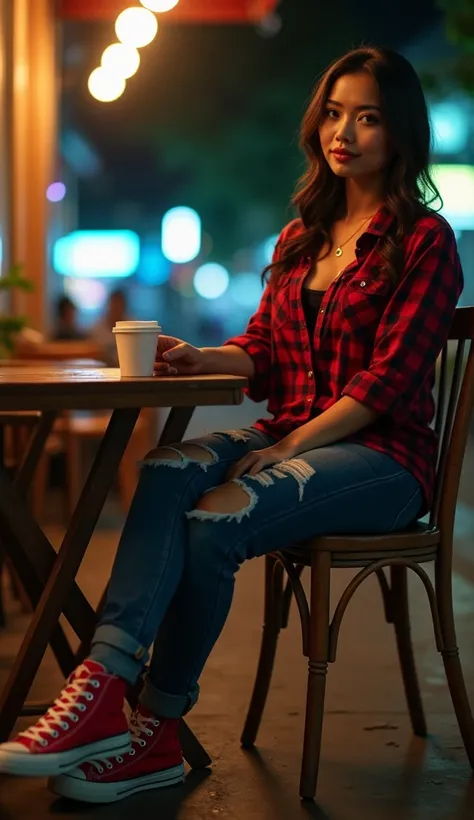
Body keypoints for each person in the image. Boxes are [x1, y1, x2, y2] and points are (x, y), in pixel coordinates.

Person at [0, 46, 463, 803]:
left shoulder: (424, 242)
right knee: (166, 467)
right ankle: (102, 690)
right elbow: (266, 348)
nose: (345, 132)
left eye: (370, 117)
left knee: (222, 517)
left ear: (402, 131)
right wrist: (204, 356)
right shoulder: (300, 239)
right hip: (297, 432)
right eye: (336, 113)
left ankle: (154, 730)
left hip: (384, 458)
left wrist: (287, 446)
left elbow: (390, 381)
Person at [90, 288, 128, 365]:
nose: (117, 307)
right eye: (114, 304)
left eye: (119, 304)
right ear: (109, 305)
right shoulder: (97, 328)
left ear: (124, 306)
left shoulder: (133, 326)